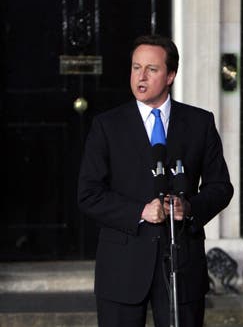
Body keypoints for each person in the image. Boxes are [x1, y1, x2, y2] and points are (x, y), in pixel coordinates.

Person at [78, 34, 234, 327]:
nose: (141, 76)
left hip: (182, 266)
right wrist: (140, 212)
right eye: (136, 67)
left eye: (152, 69)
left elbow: (220, 188)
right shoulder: (106, 126)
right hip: (122, 268)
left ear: (171, 75)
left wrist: (188, 208)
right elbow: (89, 194)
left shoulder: (200, 123)